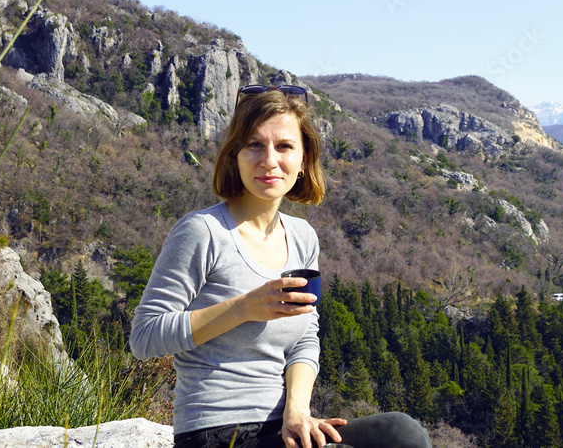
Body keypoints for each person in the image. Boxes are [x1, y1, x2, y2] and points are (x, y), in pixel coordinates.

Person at [130, 85, 432, 448]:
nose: (269, 160)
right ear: (235, 156)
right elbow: (144, 337)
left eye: (285, 146)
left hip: (281, 427)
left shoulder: (303, 237)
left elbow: (305, 334)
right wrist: (242, 308)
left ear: (304, 159)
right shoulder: (203, 232)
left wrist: (298, 411)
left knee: (404, 433)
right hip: (216, 432)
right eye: (255, 145)